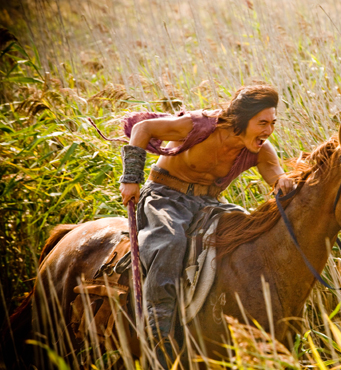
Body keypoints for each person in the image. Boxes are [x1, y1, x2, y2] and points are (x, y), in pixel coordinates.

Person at [118, 85, 294, 361]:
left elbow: (275, 174)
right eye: (262, 123)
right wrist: (131, 177)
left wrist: (283, 181)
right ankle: (158, 336)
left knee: (245, 234)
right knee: (170, 242)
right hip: (165, 197)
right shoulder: (201, 125)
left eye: (272, 123)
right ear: (241, 120)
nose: (268, 130)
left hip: (208, 204)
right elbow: (143, 129)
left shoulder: (259, 148)